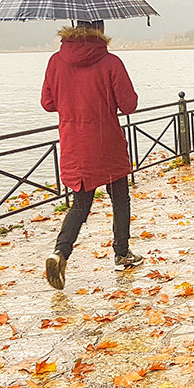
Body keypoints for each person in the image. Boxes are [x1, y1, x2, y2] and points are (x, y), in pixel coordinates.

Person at [41, 19, 143, 290]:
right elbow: (129, 105)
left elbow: (47, 103)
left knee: (80, 204)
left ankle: (60, 252)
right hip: (106, 143)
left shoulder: (55, 62)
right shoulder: (111, 63)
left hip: (74, 143)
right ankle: (122, 253)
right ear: (100, 29)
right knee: (120, 198)